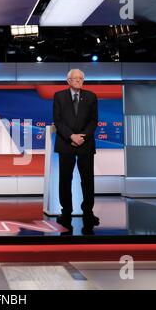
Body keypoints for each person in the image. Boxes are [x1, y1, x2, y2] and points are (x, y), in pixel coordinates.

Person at [53, 69, 100, 231]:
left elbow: (94, 121)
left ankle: (88, 212)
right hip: (66, 143)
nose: (79, 81)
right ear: (68, 81)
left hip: (86, 144)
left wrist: (83, 137)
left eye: (81, 78)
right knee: (65, 180)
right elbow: (57, 120)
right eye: (75, 78)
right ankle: (66, 212)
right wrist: (71, 136)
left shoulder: (91, 96)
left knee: (87, 180)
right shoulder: (59, 96)